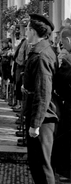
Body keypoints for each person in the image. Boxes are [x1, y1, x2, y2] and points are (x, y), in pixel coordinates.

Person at [22, 13, 59, 184]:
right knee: (37, 162)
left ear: (33, 31)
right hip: (41, 113)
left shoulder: (41, 55)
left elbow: (43, 92)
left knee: (42, 165)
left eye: (27, 29)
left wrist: (35, 124)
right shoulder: (42, 50)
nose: (25, 33)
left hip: (43, 117)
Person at [53, 27, 71, 182]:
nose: (62, 45)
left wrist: (62, 64)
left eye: (63, 42)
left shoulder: (67, 57)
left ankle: (66, 171)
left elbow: (64, 81)